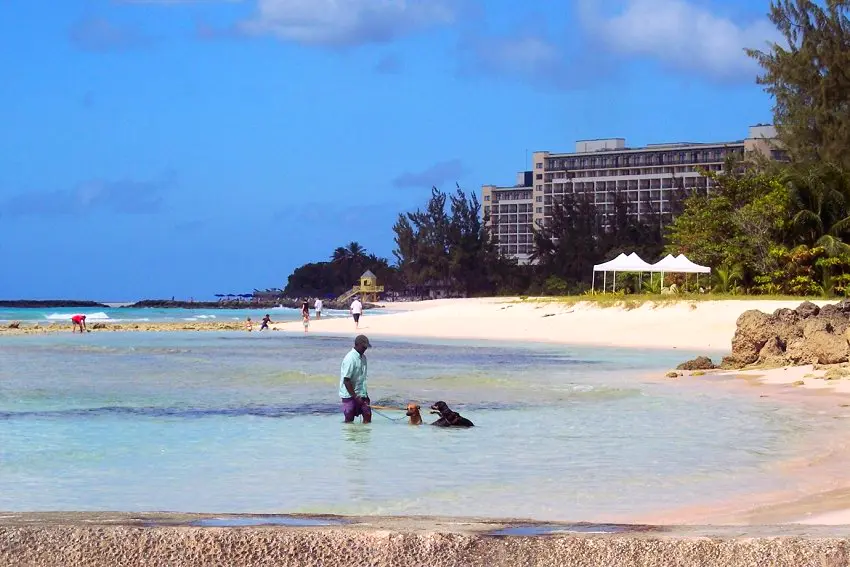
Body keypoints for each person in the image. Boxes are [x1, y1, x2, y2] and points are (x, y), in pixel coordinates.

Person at [339, 335, 372, 423]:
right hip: (349, 395)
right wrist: (355, 397)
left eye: (366, 347)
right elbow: (346, 380)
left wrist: (365, 395)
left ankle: (365, 436)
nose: (365, 349)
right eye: (364, 347)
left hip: (361, 394)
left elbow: (362, 379)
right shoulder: (350, 358)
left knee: (367, 416)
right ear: (357, 345)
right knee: (349, 421)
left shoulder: (363, 358)